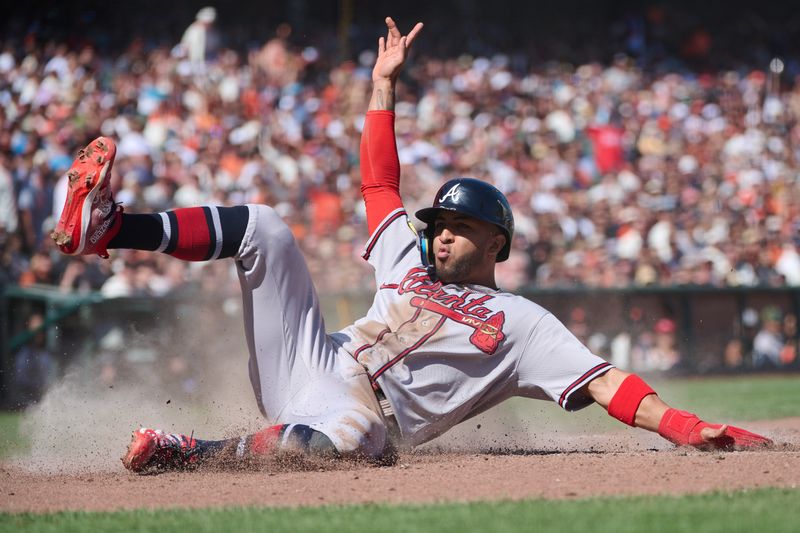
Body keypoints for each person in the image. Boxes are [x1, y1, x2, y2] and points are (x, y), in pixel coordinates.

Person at [51, 18, 771, 474]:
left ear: (498, 241)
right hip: (313, 356)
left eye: (458, 226)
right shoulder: (405, 257)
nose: (441, 232)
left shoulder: (522, 323)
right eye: (439, 223)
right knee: (265, 224)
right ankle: (111, 227)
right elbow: (377, 182)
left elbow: (608, 384)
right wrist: (380, 88)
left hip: (360, 410)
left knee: (356, 432)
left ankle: (188, 453)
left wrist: (686, 427)